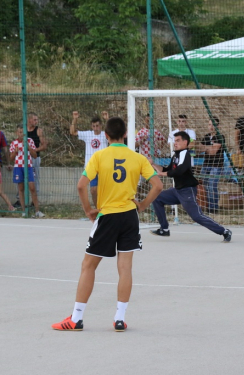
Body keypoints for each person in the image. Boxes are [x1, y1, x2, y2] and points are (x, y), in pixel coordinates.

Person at [52, 117, 163, 332]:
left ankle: (76, 319)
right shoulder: (138, 157)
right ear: (125, 135)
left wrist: (88, 210)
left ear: (105, 135)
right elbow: (157, 186)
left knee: (88, 265)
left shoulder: (99, 155)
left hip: (108, 215)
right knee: (125, 268)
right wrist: (141, 205)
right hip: (130, 216)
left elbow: (81, 186)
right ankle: (119, 319)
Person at [149, 131, 232, 242]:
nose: (175, 143)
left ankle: (224, 231)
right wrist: (153, 164)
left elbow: (180, 170)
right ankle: (164, 229)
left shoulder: (185, 154)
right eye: (174, 141)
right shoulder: (176, 155)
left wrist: (163, 174)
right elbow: (166, 169)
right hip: (177, 190)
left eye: (178, 140)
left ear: (185, 142)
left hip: (187, 191)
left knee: (196, 216)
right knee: (157, 198)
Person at [70, 112, 108, 206]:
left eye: (97, 126)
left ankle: (106, 209)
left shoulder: (105, 135)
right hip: (91, 167)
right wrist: (75, 119)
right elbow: (72, 132)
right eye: (94, 126)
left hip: (104, 167)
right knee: (93, 190)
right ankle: (97, 209)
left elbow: (114, 132)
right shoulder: (88, 134)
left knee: (105, 190)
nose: (95, 128)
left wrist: (107, 119)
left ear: (101, 125)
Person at [10, 125, 45, 218]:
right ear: (17, 133)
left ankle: (37, 210)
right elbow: (11, 158)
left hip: (28, 166)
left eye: (23, 133)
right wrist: (15, 152)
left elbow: (35, 155)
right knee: (21, 188)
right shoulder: (14, 143)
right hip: (18, 167)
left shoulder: (30, 141)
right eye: (20, 132)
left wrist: (28, 147)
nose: (22, 134)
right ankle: (24, 210)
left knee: (32, 188)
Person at [192, 116, 225, 214]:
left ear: (218, 126)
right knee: (204, 185)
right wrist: (206, 147)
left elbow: (213, 151)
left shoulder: (220, 137)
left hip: (216, 165)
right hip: (206, 164)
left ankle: (213, 208)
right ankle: (205, 205)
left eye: (213, 125)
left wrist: (205, 148)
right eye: (209, 124)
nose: (211, 127)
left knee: (212, 185)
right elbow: (198, 149)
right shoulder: (206, 137)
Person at [26, 112, 47, 196]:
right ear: (29, 120)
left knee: (35, 178)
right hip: (23, 158)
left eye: (37, 120)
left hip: (34, 158)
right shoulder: (23, 129)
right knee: (22, 178)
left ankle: (35, 200)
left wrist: (35, 150)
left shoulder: (38, 130)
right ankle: (20, 199)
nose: (36, 121)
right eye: (34, 120)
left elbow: (44, 145)